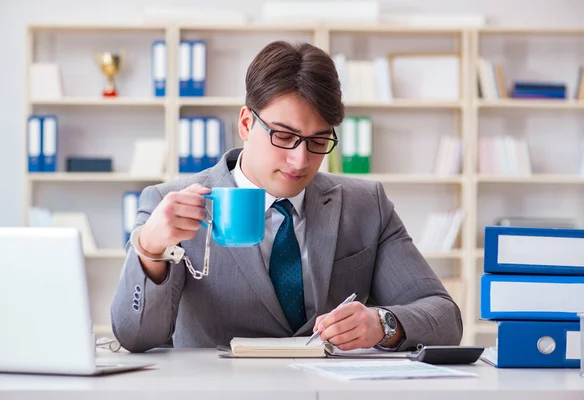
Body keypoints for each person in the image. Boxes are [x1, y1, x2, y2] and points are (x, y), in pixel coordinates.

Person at [111, 40, 462, 353]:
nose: (301, 160)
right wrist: (151, 249)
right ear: (247, 124)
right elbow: (135, 336)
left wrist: (383, 323)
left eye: (318, 141)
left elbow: (444, 316)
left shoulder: (366, 204)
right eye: (283, 135)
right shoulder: (169, 203)